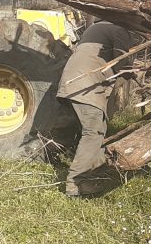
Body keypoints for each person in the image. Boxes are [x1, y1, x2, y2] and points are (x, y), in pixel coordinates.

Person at [56, 21, 136, 197]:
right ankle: (75, 184)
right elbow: (121, 63)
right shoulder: (120, 29)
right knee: (93, 133)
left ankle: (91, 173)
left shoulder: (96, 27)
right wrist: (136, 72)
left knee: (97, 130)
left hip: (73, 82)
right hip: (85, 85)